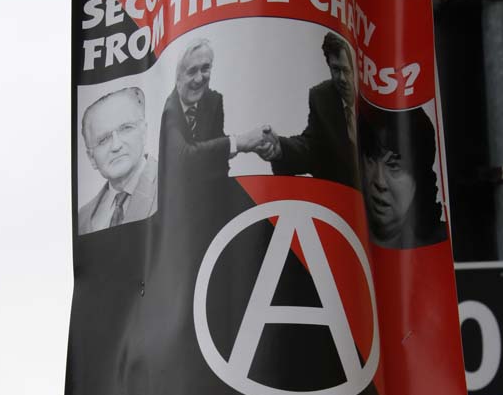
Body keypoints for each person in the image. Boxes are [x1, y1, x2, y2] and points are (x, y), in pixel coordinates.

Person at [159, 38, 274, 182]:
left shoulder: (214, 100)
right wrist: (239, 142)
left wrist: (254, 144)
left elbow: (216, 150)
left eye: (205, 68)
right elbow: (184, 155)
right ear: (177, 77)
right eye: (192, 71)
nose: (199, 78)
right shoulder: (168, 108)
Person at [266, 31, 360, 189]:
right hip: (342, 200)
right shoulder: (322, 97)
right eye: (336, 70)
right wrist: (281, 149)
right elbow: (314, 149)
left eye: (348, 71)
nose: (342, 79)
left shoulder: (376, 97)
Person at [358, 101, 447, 249]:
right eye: (371, 158)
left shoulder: (443, 244)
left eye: (394, 165)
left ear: (420, 176)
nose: (380, 182)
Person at [78, 86, 158, 235]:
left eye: (126, 128)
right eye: (103, 139)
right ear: (91, 158)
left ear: (144, 132)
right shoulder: (82, 218)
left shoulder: (175, 184)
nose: (116, 146)